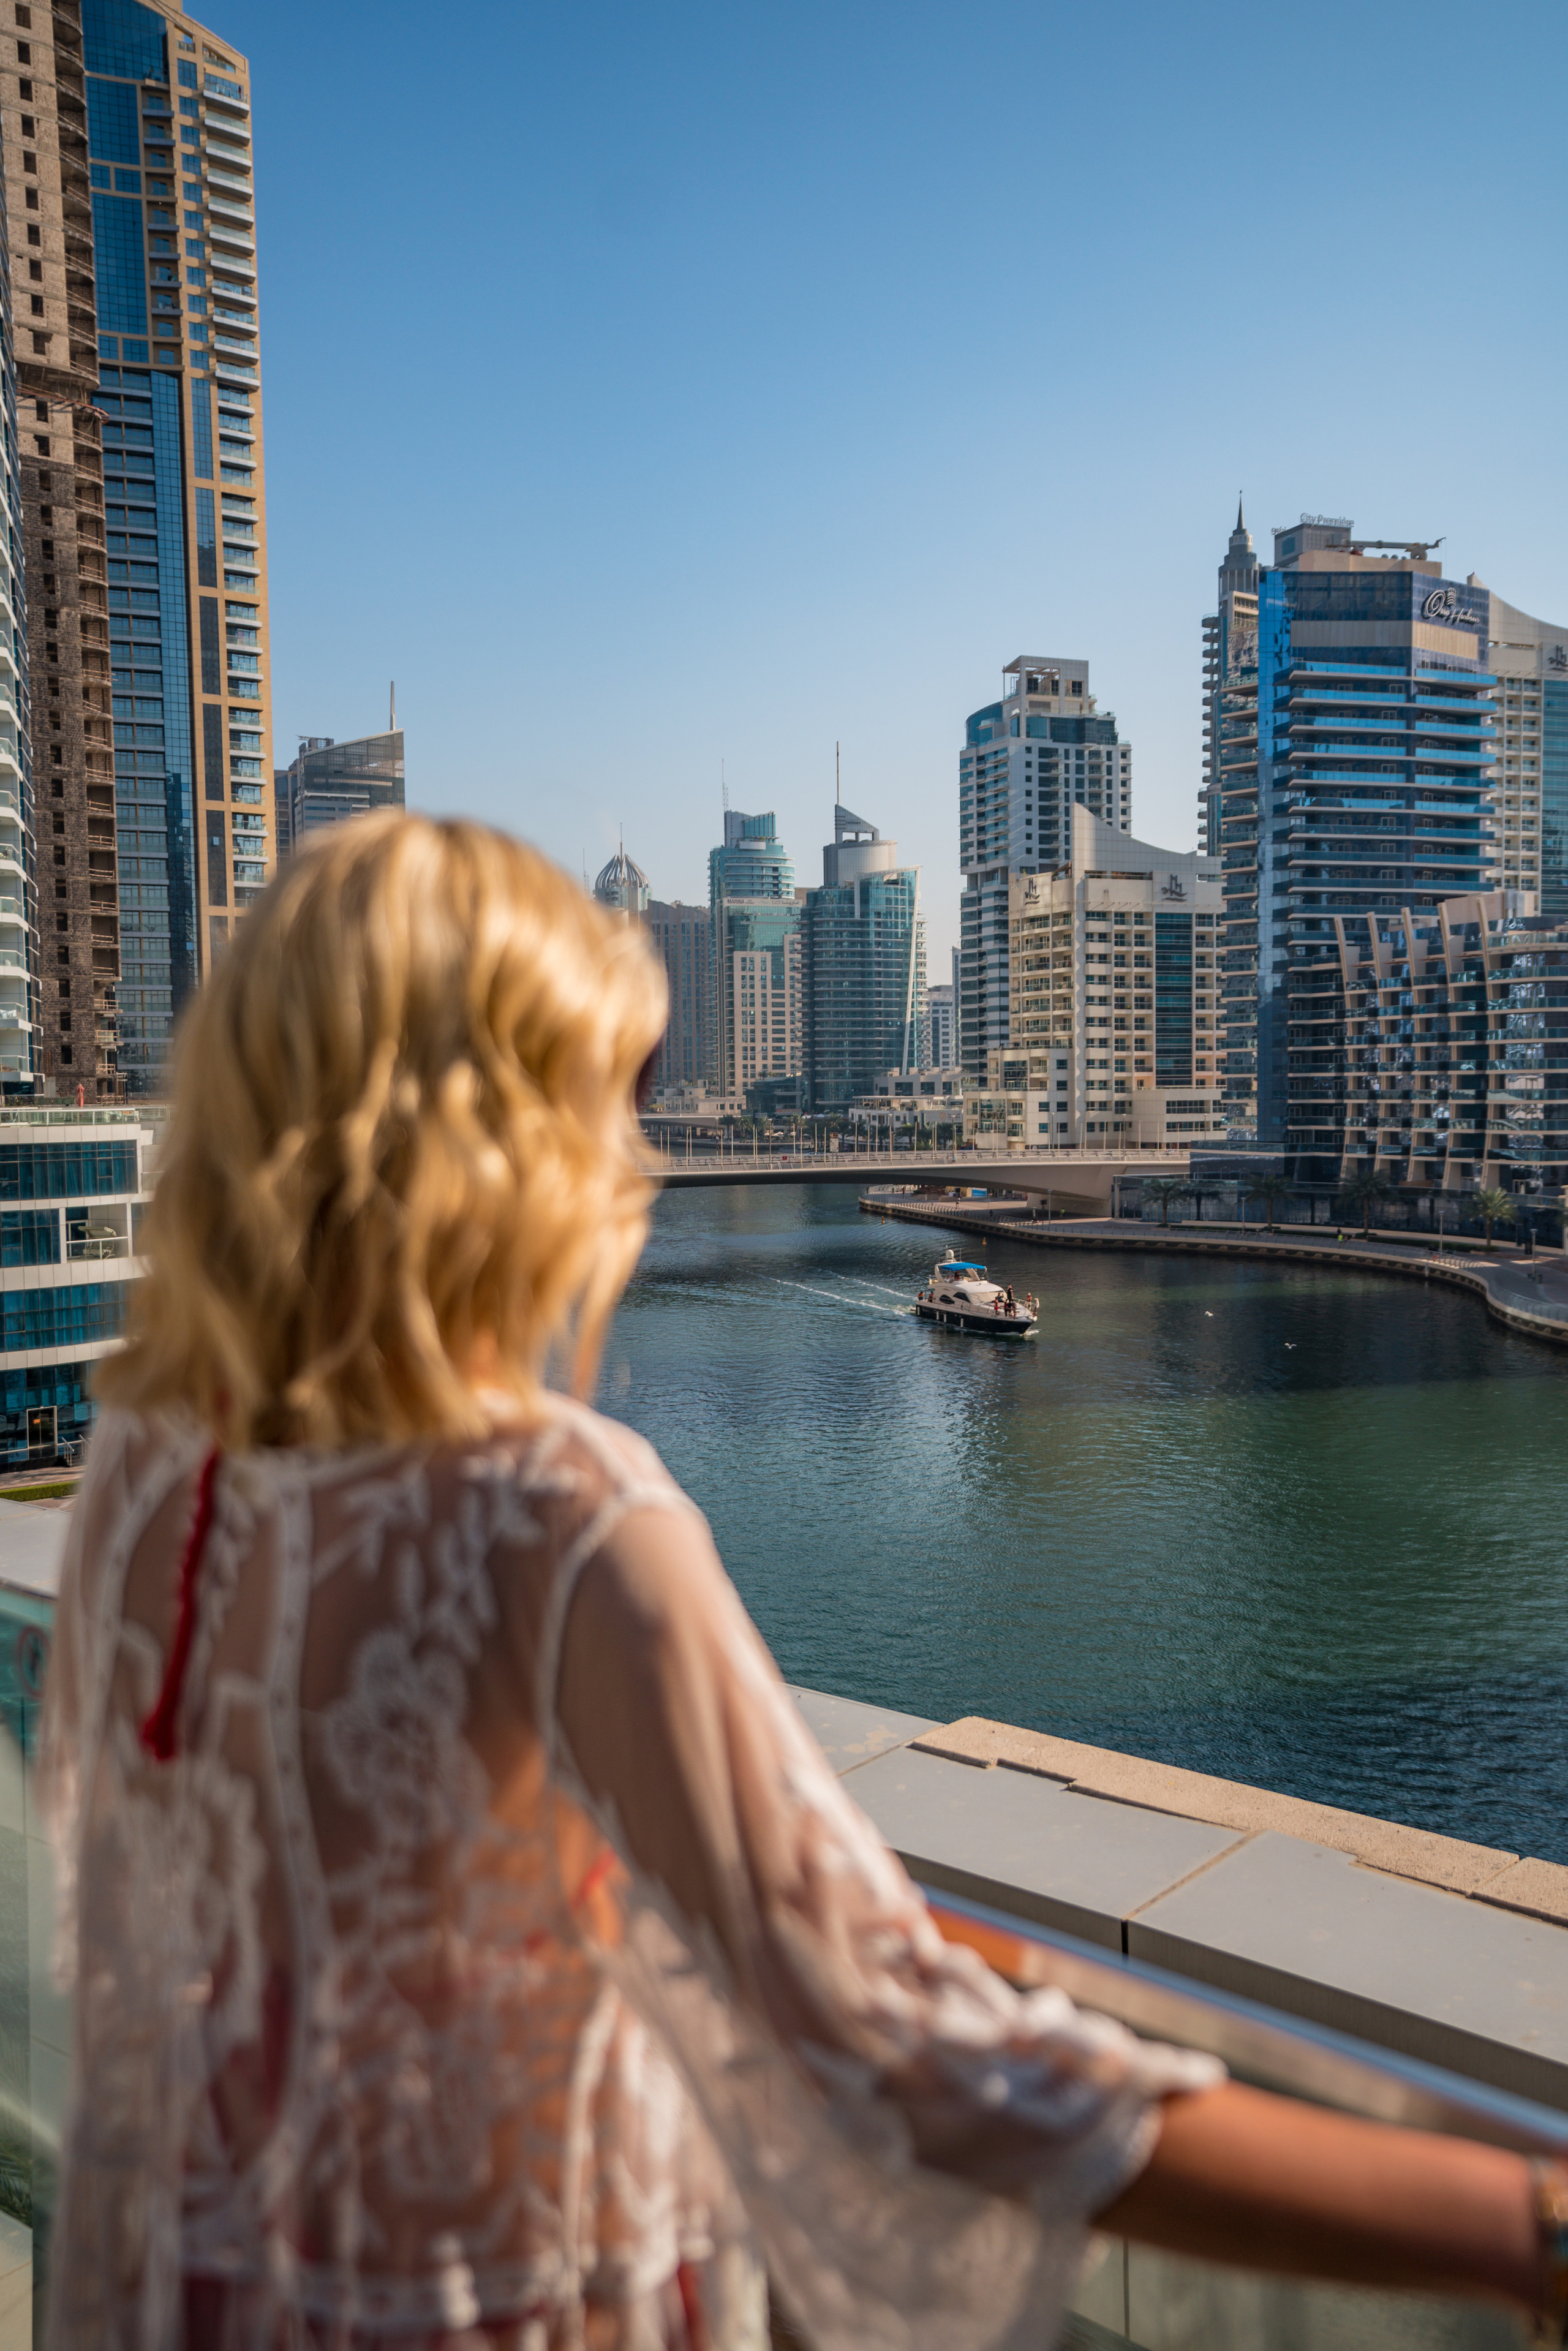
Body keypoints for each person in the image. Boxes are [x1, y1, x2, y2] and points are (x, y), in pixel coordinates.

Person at [38, 815, 1566, 2351]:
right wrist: (1523, 2226)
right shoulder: (558, 1518)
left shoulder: (156, 1475)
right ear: (492, 1143)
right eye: (606, 1096)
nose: (632, 1157)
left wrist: (807, 1902)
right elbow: (887, 2044)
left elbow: (397, 1890)